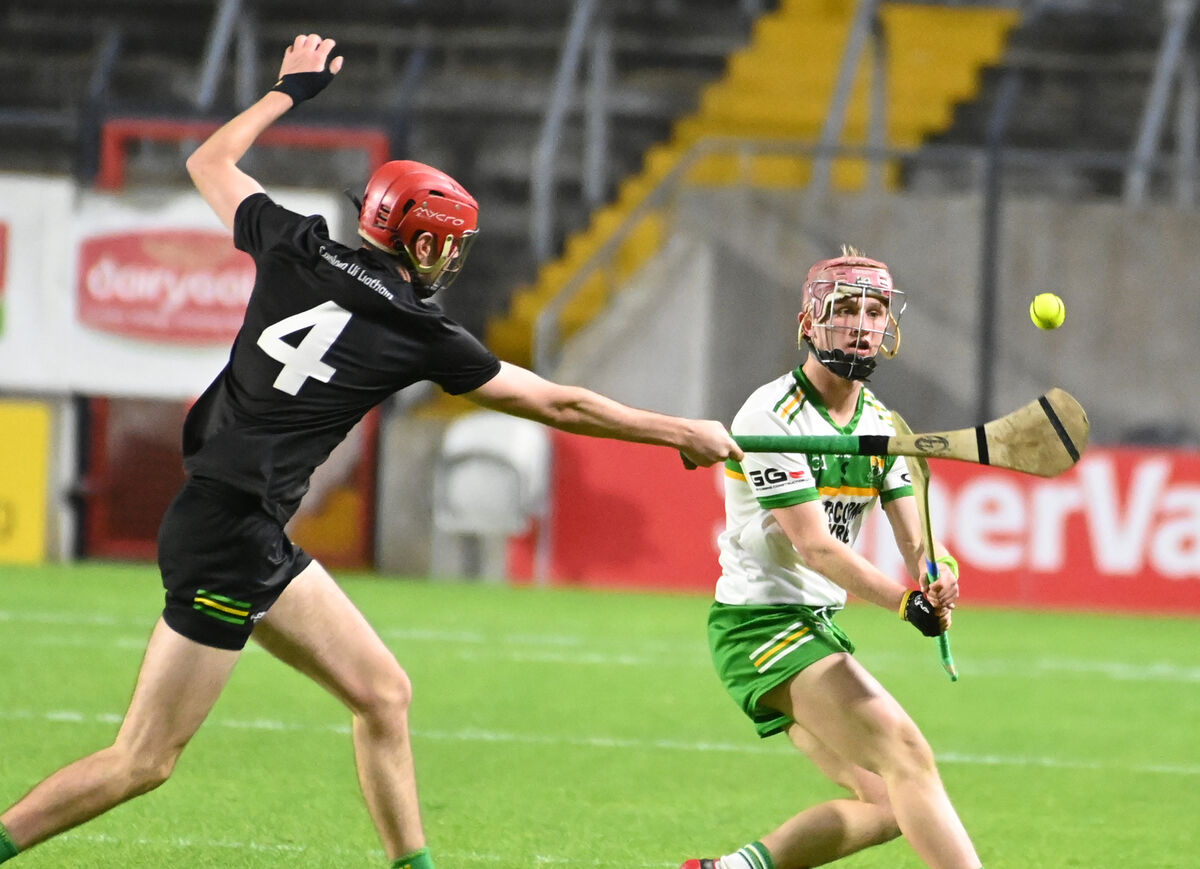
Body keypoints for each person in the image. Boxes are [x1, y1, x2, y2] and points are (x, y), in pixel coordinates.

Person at [0, 34, 741, 869]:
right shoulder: (416, 328)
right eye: (448, 243)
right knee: (143, 760)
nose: (451, 258)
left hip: (237, 525)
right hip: (230, 538)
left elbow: (209, 160)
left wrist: (289, 90)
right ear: (423, 243)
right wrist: (682, 431)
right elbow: (559, 401)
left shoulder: (296, 244)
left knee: (384, 693)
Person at [681, 248, 984, 869]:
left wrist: (938, 576)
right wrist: (904, 604)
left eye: (874, 311)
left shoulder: (880, 423)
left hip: (812, 625)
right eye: (845, 309)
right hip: (762, 627)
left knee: (890, 803)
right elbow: (813, 546)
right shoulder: (771, 415)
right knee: (908, 757)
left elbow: (917, 540)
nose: (862, 324)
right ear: (809, 323)